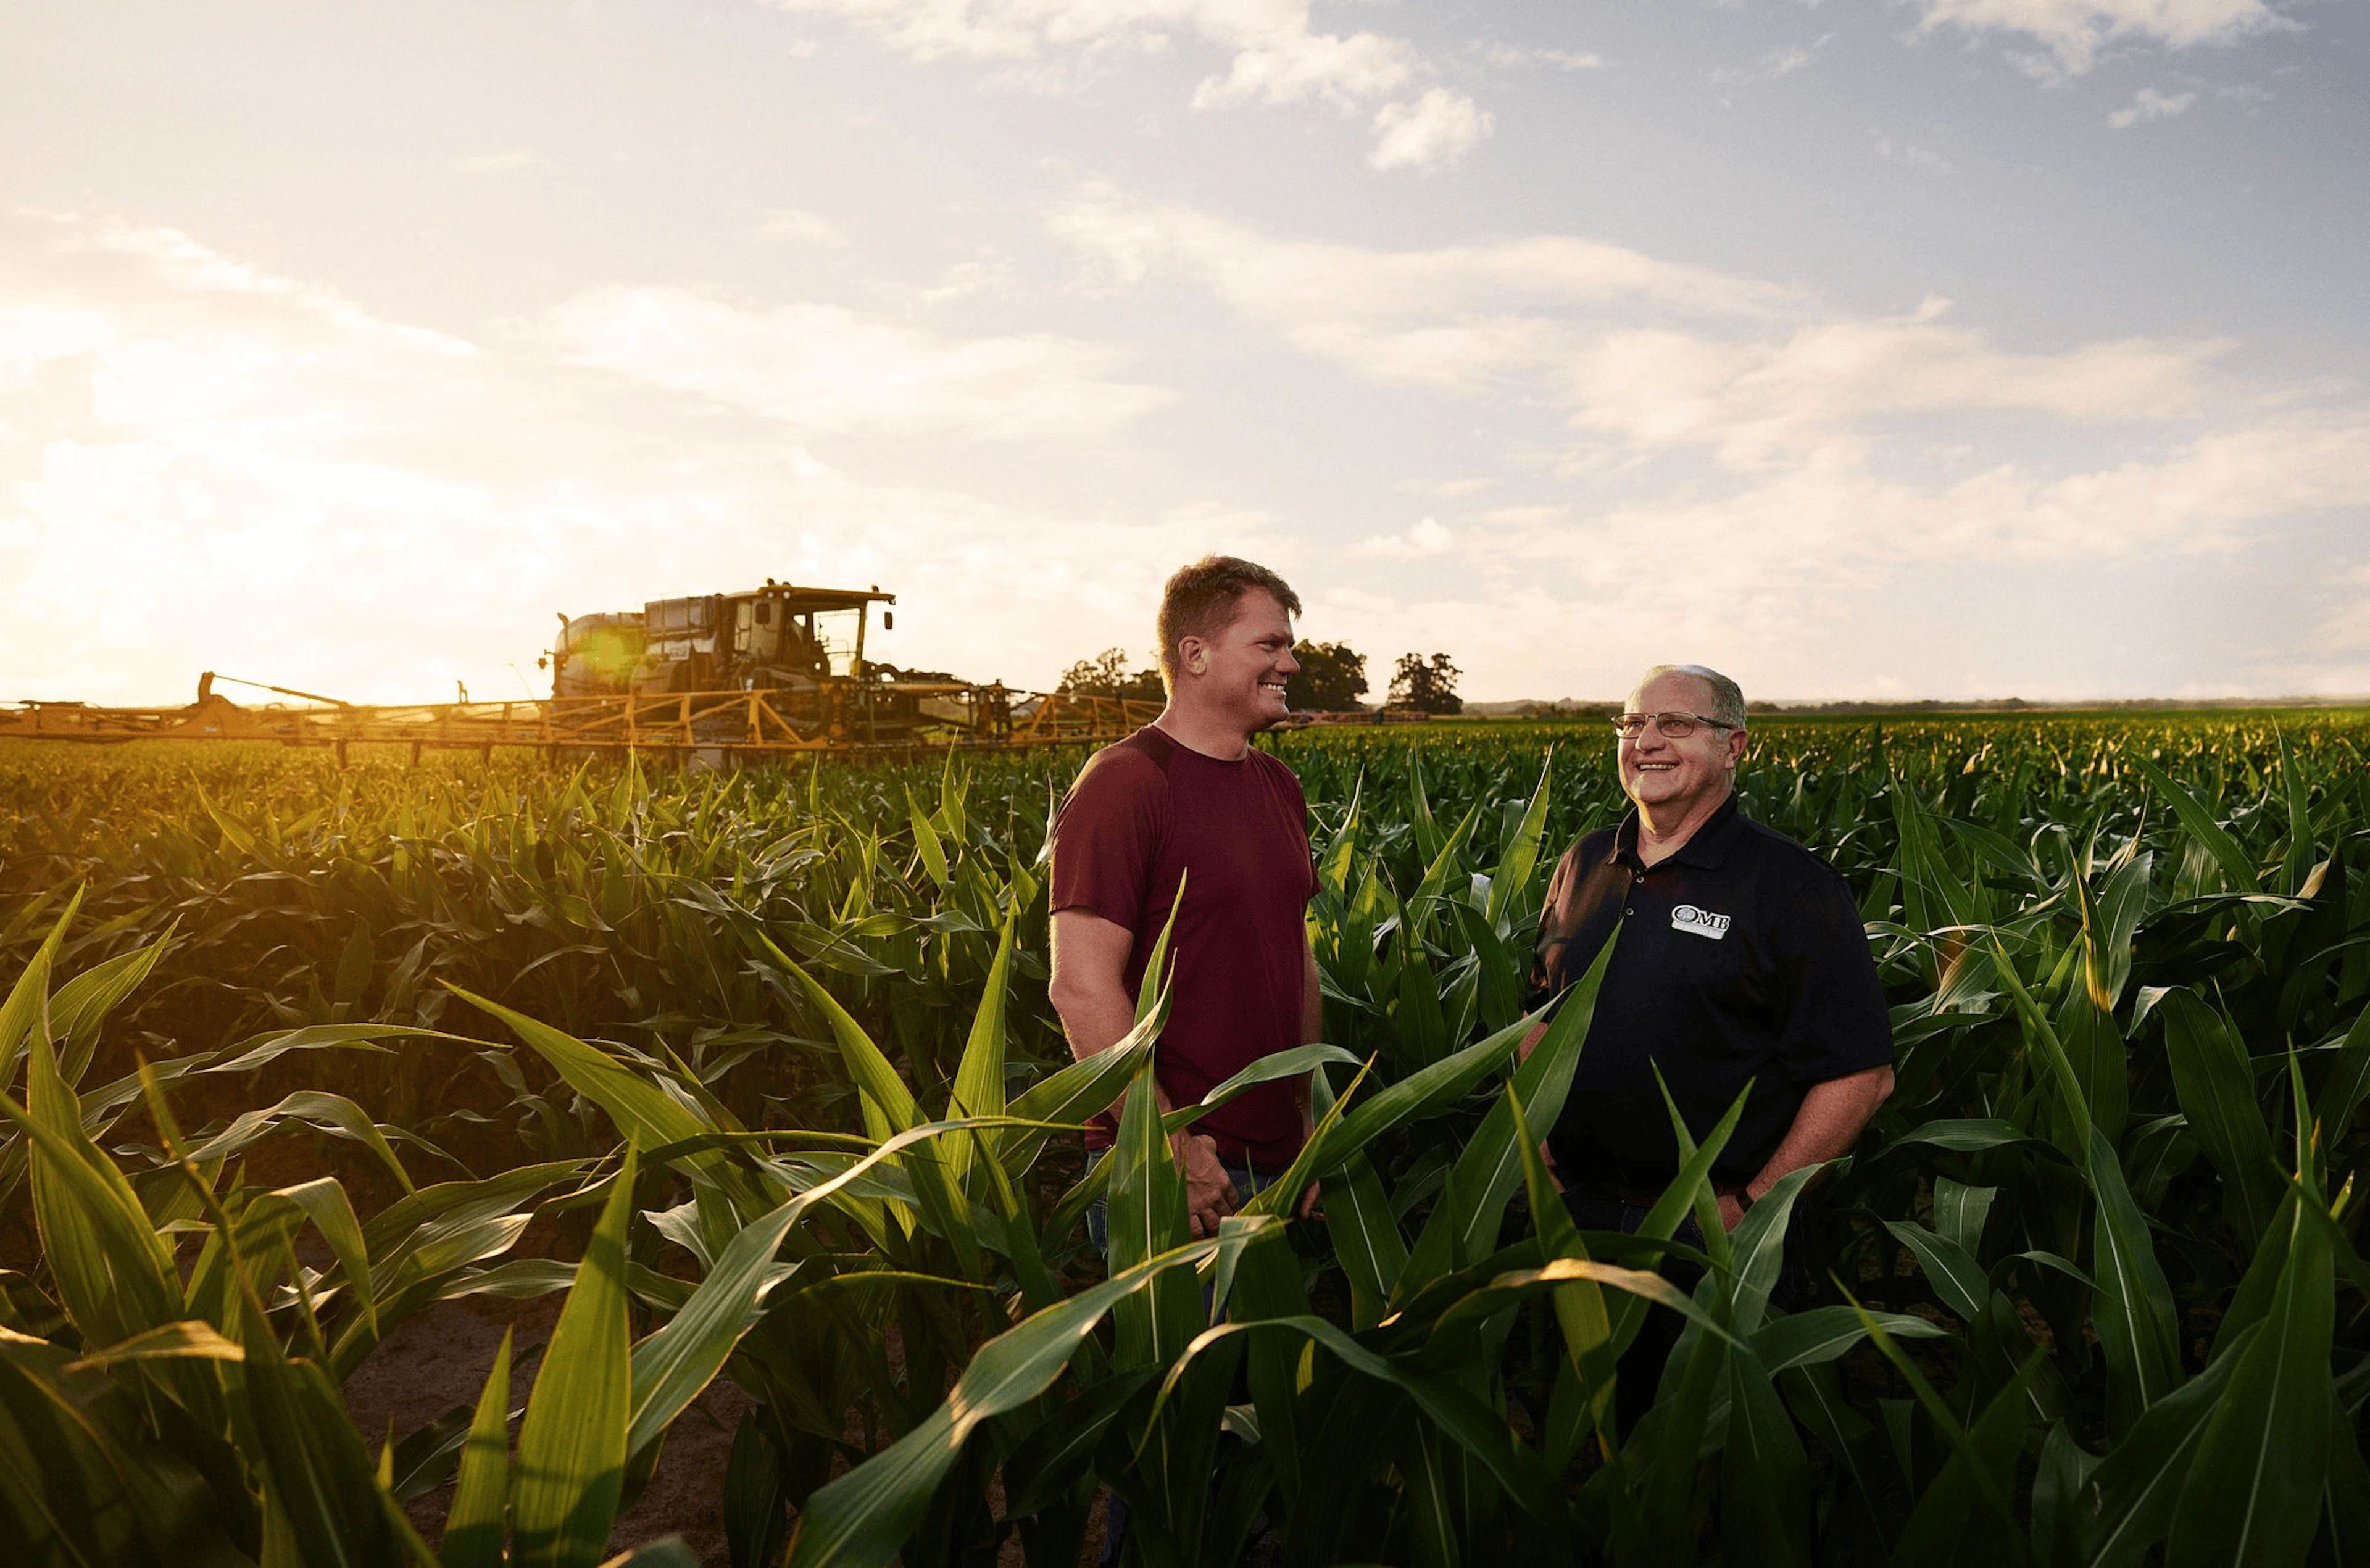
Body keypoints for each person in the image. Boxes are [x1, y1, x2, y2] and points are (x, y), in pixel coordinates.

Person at [1524, 663, 1894, 1417]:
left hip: (1711, 1239)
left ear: (1735, 748)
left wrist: (1755, 1207)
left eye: (1676, 725)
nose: (1646, 742)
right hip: (1578, 1217)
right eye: (1631, 725)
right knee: (1585, 1432)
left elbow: (1860, 1076)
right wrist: (1534, 1156)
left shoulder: (1793, 886)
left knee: (1711, 1450)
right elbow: (1538, 1017)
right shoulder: (1585, 861)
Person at [1048, 555, 1324, 1242]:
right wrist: (1169, 1145)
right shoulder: (1127, 782)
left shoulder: (1278, 785)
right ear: (1195, 655)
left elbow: (1295, 958)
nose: (1289, 664)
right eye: (1270, 645)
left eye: (1289, 646)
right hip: (1176, 1172)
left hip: (1277, 1158)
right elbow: (1080, 988)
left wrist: (1312, 1115)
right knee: (1177, 1355)